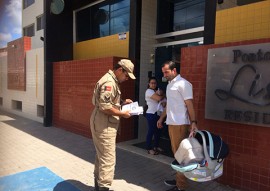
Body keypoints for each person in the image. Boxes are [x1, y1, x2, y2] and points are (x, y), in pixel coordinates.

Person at [90, 59, 136, 191]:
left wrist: (122, 102)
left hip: (102, 121)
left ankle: (98, 187)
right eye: (126, 75)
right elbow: (105, 107)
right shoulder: (110, 82)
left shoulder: (111, 80)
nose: (127, 79)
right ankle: (103, 187)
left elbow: (108, 100)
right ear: (120, 70)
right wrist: (123, 113)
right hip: (104, 124)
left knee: (101, 157)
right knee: (108, 160)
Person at [157, 61, 198, 191]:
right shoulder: (170, 85)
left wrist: (193, 122)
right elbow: (169, 104)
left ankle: (181, 186)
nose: (164, 75)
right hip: (172, 124)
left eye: (166, 72)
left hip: (180, 124)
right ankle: (179, 180)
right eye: (163, 72)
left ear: (174, 71)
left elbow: (190, 104)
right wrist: (161, 118)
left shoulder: (183, 84)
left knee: (181, 156)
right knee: (177, 155)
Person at [145, 77, 164, 155]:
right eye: (152, 83)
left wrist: (161, 94)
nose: (153, 84)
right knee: (151, 131)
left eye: (155, 83)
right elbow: (159, 98)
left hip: (158, 114)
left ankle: (156, 146)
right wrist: (163, 95)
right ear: (149, 84)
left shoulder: (155, 91)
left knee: (157, 131)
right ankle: (148, 148)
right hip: (151, 114)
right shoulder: (149, 91)